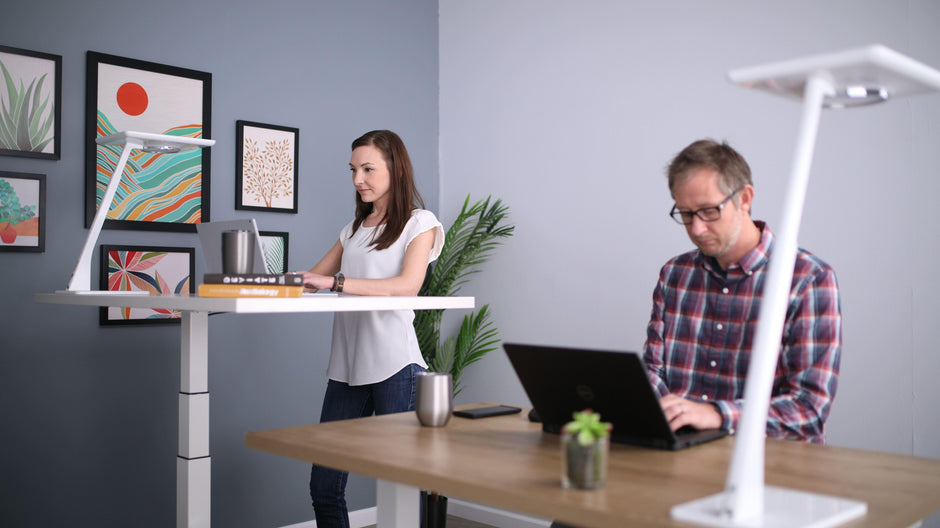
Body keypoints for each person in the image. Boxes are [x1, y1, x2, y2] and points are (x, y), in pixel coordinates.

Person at [644, 138, 842, 444]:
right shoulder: (675, 275)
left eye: (708, 211)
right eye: (685, 214)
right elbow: (654, 374)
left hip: (770, 466)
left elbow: (809, 410)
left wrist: (717, 414)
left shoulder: (808, 279)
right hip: (680, 459)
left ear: (745, 199)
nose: (696, 229)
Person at [300, 129, 444, 527]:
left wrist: (337, 283)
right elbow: (313, 279)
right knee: (324, 486)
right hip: (346, 369)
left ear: (395, 170)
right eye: (353, 169)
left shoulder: (420, 223)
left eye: (367, 169)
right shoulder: (354, 228)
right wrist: (255, 280)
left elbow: (406, 286)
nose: (357, 179)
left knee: (400, 485)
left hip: (396, 366)